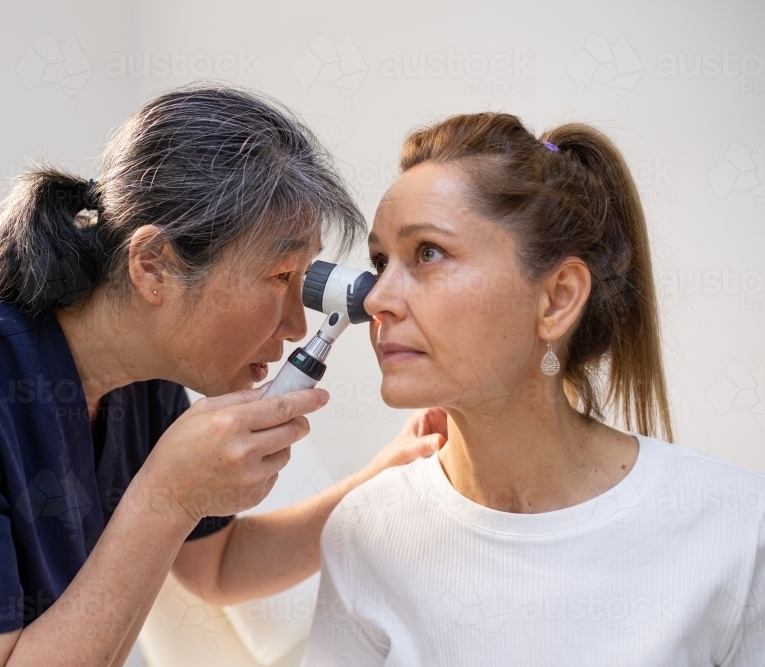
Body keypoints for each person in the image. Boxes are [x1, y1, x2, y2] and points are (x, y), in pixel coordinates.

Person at [0, 85, 443, 667]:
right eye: (279, 277)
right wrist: (166, 496)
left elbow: (217, 564)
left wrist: (385, 477)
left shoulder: (141, 384)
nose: (297, 323)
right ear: (153, 265)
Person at [303, 112, 765, 666]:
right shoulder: (366, 537)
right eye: (381, 262)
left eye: (427, 252)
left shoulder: (733, 525)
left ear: (558, 298)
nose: (376, 299)